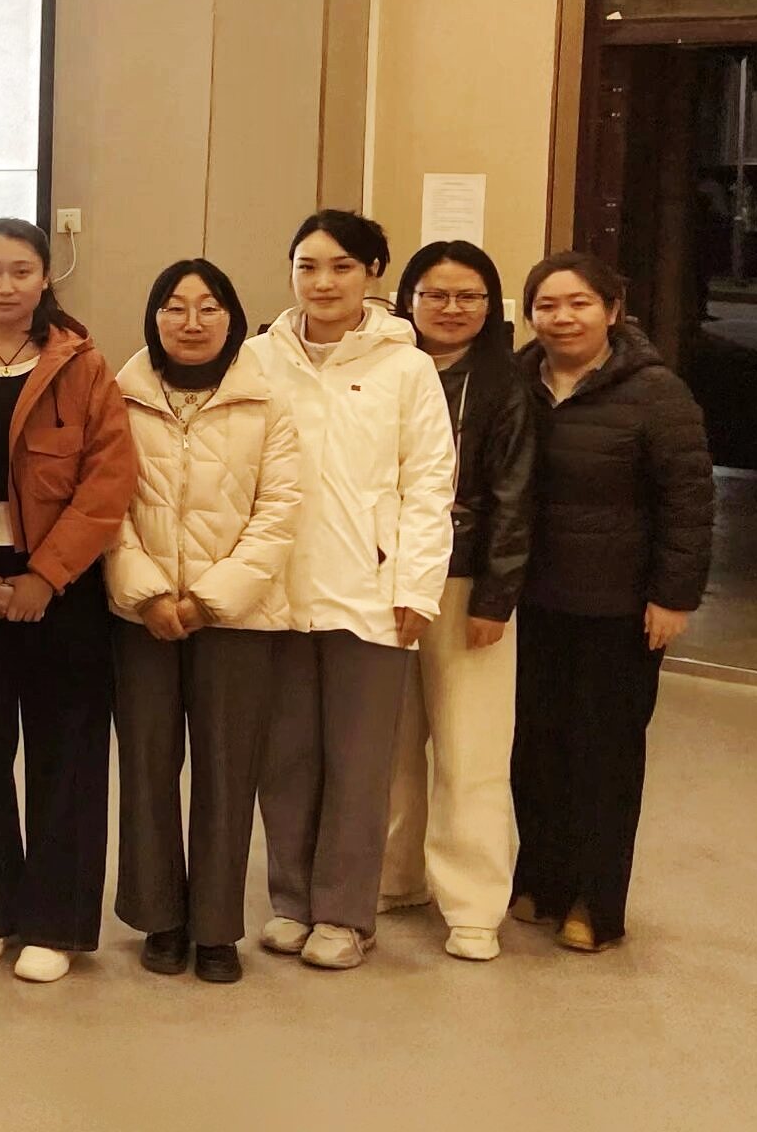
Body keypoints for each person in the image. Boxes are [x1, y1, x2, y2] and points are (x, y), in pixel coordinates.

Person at [0, 218, 136, 984]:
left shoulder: (83, 365)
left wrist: (47, 576)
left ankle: (56, 922)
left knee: (68, 753)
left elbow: (108, 482)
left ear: (46, 278)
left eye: (21, 270)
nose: (5, 285)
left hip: (64, 589)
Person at [253, 210, 455, 971]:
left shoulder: (407, 368)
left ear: (372, 273)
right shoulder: (258, 359)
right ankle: (291, 901)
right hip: (274, 593)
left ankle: (344, 914)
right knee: (286, 759)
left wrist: (417, 584)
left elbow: (431, 483)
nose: (323, 282)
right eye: (307, 266)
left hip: (370, 591)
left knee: (359, 762)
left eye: (341, 266)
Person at [511, 252, 714, 953]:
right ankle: (541, 877)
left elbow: (689, 501)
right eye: (547, 305)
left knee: (604, 753)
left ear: (613, 311)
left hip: (618, 609)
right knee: (535, 748)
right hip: (532, 602)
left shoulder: (656, 392)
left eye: (579, 304)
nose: (562, 318)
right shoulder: (519, 383)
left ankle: (596, 903)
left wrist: (673, 595)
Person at [106, 259, 299, 986]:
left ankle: (216, 927)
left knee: (227, 773)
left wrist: (211, 598)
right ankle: (160, 917)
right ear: (153, 317)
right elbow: (104, 507)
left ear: (233, 318)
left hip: (237, 619)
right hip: (140, 617)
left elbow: (280, 512)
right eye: (175, 307)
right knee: (147, 767)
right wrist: (149, 595)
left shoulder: (267, 401)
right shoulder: (118, 397)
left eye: (209, 307)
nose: (192, 322)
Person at [380, 240, 536, 963]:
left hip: (467, 582)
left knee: (470, 748)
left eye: (468, 296)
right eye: (434, 294)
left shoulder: (507, 383)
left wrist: (495, 599)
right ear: (406, 300)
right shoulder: (382, 369)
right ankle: (395, 876)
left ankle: (473, 905)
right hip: (382, 579)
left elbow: (516, 498)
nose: (451, 308)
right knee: (389, 744)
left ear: (490, 305)